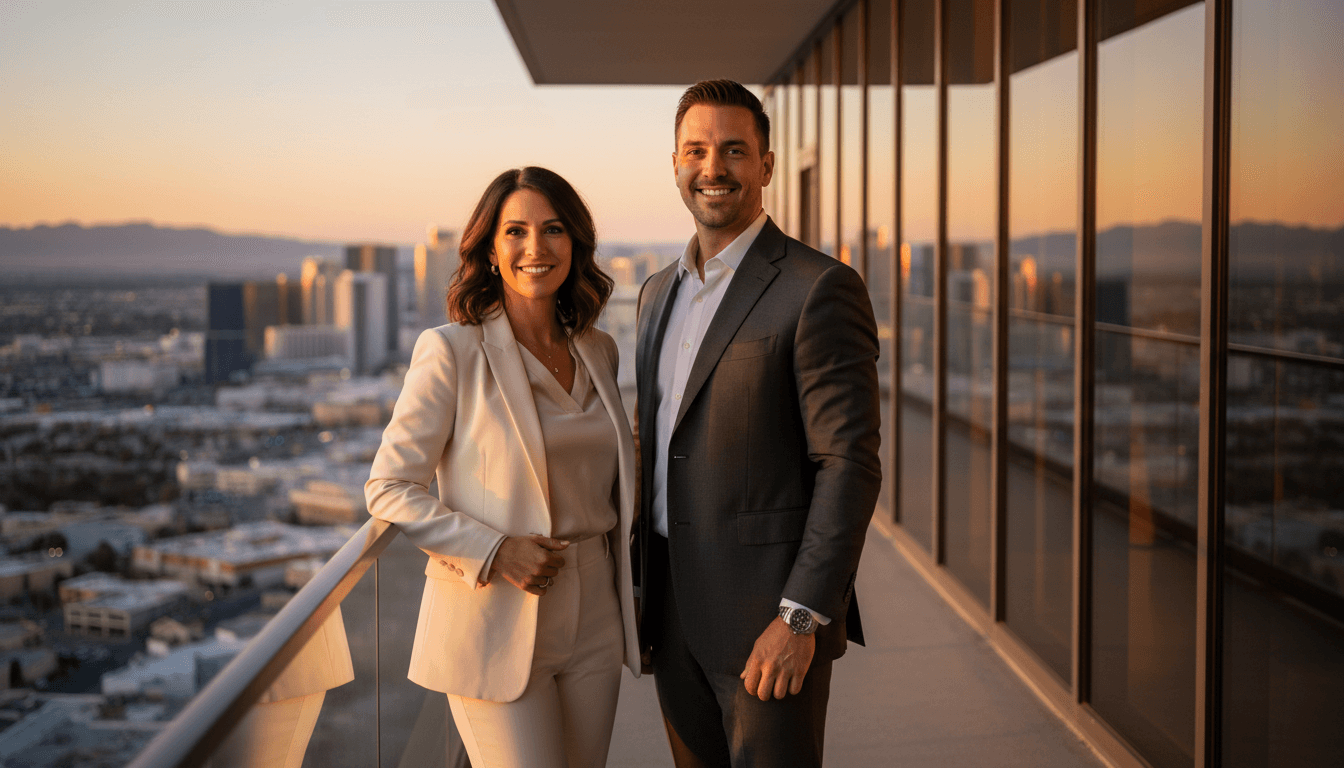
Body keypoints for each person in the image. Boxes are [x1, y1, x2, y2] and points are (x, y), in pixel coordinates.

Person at [633, 80, 882, 767]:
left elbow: (849, 464)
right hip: (671, 609)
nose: (713, 167)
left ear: (766, 167)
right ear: (676, 164)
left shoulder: (818, 287)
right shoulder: (656, 295)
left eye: (734, 150)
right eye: (697, 150)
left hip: (767, 617)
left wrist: (801, 616)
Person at [365, 166, 641, 768]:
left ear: (577, 244)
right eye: (515, 231)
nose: (535, 248)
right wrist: (493, 548)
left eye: (554, 230)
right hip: (495, 610)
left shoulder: (599, 349)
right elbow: (388, 487)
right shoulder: (451, 351)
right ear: (490, 250)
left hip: (597, 610)